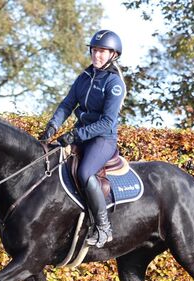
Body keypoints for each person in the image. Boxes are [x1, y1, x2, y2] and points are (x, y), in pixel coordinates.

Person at [39, 30, 126, 248]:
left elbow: (107, 122)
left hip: (102, 139)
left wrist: (76, 134)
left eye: (102, 52)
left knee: (85, 173)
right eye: (94, 50)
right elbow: (67, 105)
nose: (97, 55)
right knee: (49, 158)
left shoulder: (114, 83)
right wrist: (52, 126)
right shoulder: (84, 78)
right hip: (80, 135)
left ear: (113, 55)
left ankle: (104, 228)